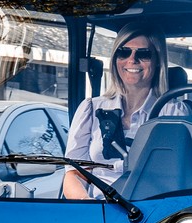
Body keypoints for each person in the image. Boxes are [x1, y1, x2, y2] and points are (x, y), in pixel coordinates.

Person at [63, 23, 169, 198]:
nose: (132, 60)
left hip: (151, 212)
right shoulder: (90, 108)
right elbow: (74, 174)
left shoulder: (172, 112)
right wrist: (87, 205)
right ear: (115, 58)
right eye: (124, 52)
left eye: (143, 54)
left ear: (158, 62)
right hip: (97, 211)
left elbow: (179, 176)